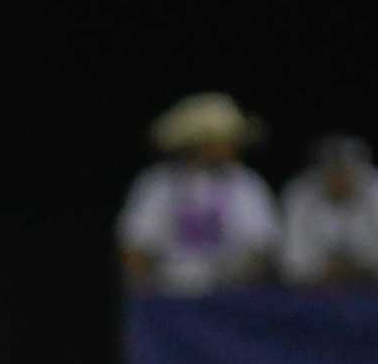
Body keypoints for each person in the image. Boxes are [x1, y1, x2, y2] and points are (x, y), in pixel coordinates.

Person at [117, 92, 280, 295]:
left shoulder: (246, 184)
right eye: (224, 140)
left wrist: (241, 280)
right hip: (168, 295)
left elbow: (264, 246)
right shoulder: (158, 184)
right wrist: (148, 291)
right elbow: (135, 246)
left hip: (232, 296)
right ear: (200, 143)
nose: (232, 147)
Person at [279, 135, 378, 293]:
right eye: (332, 170)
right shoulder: (300, 194)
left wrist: (361, 269)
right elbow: (291, 269)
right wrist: (326, 272)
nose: (340, 177)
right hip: (319, 295)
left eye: (347, 170)